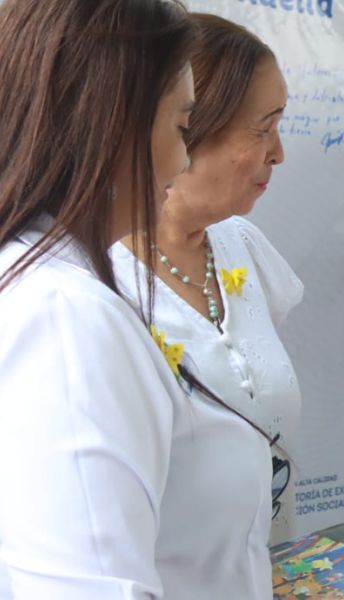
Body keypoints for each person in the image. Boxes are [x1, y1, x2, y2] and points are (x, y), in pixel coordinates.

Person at [0, 1, 276, 597]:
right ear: (114, 122)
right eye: (181, 127)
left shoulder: (50, 286)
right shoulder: (65, 316)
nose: (181, 160)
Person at [109, 12, 302, 545]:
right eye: (263, 129)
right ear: (191, 128)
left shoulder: (242, 247)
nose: (278, 153)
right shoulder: (98, 286)